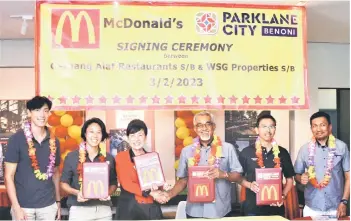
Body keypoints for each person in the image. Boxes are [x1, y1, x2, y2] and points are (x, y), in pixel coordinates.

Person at [162, 111, 243, 218]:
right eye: (199, 125)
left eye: (208, 124)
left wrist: (223, 174)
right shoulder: (186, 151)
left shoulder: (228, 148)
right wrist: (169, 194)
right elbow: (183, 180)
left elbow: (238, 175)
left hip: (219, 210)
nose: (204, 128)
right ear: (195, 129)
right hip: (194, 210)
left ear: (213, 126)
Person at [4, 96, 61, 220]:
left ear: (49, 113)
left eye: (45, 110)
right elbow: (9, 176)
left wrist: (58, 202)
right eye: (37, 110)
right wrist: (16, 207)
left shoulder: (54, 141)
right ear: (29, 112)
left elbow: (56, 174)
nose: (42, 114)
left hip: (48, 207)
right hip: (23, 207)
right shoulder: (16, 139)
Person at [294, 111, 350, 218]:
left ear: (329, 127)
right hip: (312, 208)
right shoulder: (304, 149)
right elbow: (296, 175)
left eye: (322, 125)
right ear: (311, 129)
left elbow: (349, 177)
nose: (318, 129)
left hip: (336, 207)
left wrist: (344, 202)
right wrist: (301, 178)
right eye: (314, 126)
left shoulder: (342, 147)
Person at [60, 118, 117, 220]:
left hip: (103, 210)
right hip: (79, 210)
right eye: (91, 132)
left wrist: (108, 192)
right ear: (85, 134)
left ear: (102, 135)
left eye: (98, 132)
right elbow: (64, 183)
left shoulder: (109, 158)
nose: (95, 136)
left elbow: (113, 183)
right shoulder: (72, 157)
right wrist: (77, 193)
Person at [238, 114, 295, 217]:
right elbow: (238, 178)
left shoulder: (283, 152)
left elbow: (290, 179)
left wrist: (283, 195)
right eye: (264, 126)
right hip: (253, 209)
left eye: (271, 126)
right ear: (256, 130)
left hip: (276, 209)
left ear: (275, 129)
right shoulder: (246, 152)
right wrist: (250, 185)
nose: (268, 130)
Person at [115, 119, 165, 220]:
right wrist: (151, 193)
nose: (136, 139)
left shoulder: (152, 158)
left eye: (140, 135)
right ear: (128, 138)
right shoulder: (121, 157)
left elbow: (158, 182)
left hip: (150, 208)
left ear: (145, 137)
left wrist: (161, 187)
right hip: (129, 209)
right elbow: (127, 183)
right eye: (132, 136)